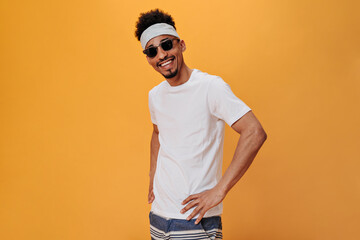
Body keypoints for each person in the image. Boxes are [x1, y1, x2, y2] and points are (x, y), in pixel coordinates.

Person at [135, 9, 267, 240]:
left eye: (167, 45)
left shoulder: (210, 87)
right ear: (148, 58)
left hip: (195, 218)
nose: (162, 54)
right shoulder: (155, 95)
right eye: (152, 50)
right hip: (159, 215)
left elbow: (254, 132)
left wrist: (220, 190)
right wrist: (153, 176)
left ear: (181, 45)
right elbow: (157, 133)